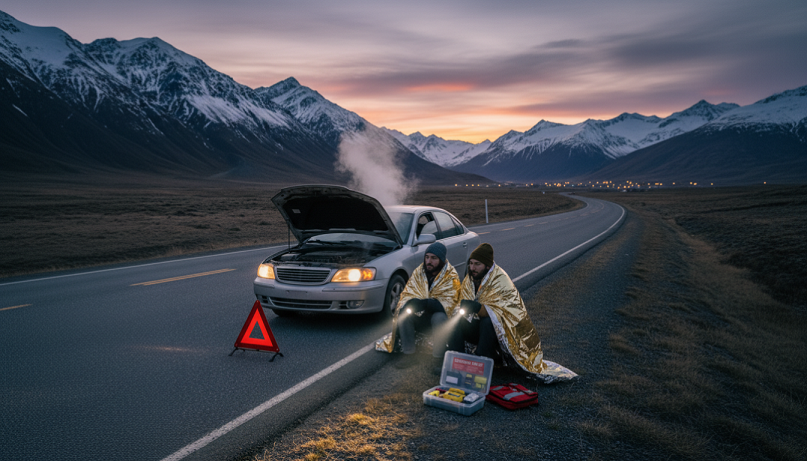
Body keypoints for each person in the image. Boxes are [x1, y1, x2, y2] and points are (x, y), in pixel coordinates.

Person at [452, 243, 577, 383]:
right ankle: (455, 362)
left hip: (505, 333)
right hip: (481, 328)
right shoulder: (470, 279)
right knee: (457, 319)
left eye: (477, 264)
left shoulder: (500, 280)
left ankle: (481, 365)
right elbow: (463, 303)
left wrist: (476, 308)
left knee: (488, 322)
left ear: (487, 266)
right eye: (471, 264)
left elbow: (501, 314)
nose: (472, 268)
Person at [375, 242, 461, 373]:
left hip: (440, 320)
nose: (429, 261)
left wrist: (425, 303)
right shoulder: (419, 272)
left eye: (434, 258)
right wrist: (410, 303)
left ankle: (437, 358)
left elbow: (449, 305)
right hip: (422, 316)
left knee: (439, 317)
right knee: (405, 312)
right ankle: (409, 354)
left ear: (441, 260)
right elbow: (408, 293)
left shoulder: (451, 275)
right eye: (427, 257)